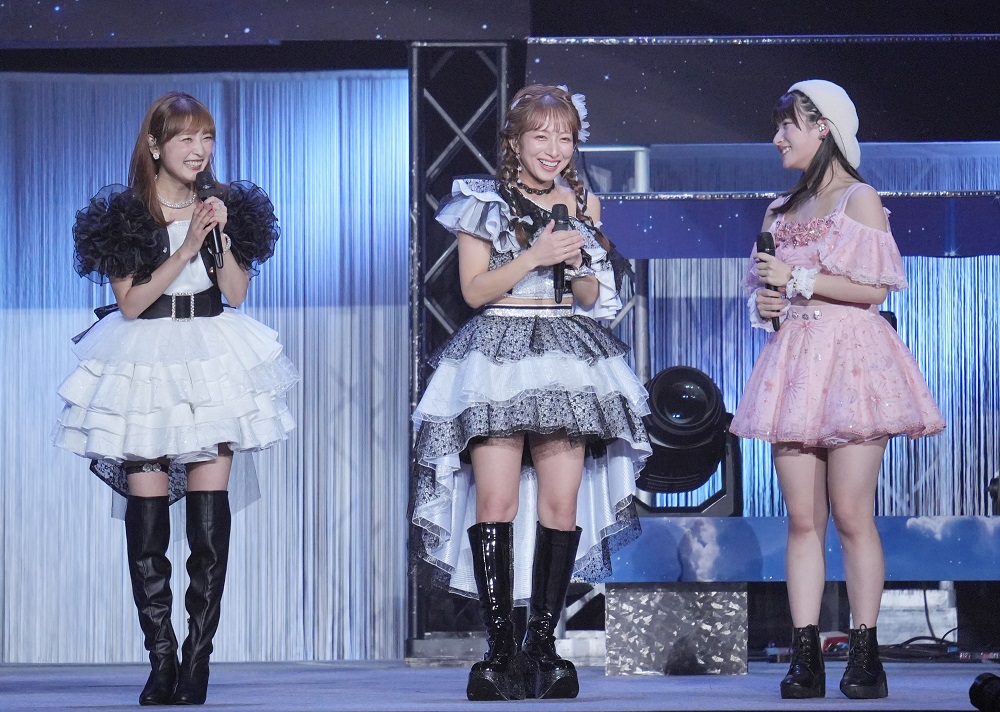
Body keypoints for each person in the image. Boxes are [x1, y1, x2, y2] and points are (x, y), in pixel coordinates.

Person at [52, 92, 297, 706]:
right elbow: (132, 302)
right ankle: (160, 657)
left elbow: (235, 294)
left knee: (209, 525)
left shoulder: (224, 207)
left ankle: (197, 659)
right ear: (156, 145)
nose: (198, 149)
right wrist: (184, 247)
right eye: (186, 137)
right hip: (145, 362)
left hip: (211, 357)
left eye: (206, 137)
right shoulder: (127, 214)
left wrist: (219, 237)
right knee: (148, 523)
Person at [411, 84, 650, 701]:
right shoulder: (481, 201)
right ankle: (500, 650)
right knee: (495, 501)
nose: (554, 148)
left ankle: (543, 645)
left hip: (565, 355)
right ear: (514, 142)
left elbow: (591, 298)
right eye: (541, 135)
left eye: (564, 137)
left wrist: (581, 264)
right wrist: (536, 253)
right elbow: (474, 290)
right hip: (498, 354)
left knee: (561, 506)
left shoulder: (582, 202)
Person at [730, 80, 945, 700]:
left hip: (851, 363)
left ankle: (865, 655)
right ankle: (805, 657)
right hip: (795, 362)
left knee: (851, 514)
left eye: (788, 126)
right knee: (803, 519)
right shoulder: (778, 210)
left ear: (822, 127)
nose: (778, 139)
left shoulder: (859, 198)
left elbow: (876, 289)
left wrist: (797, 279)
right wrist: (767, 302)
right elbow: (765, 291)